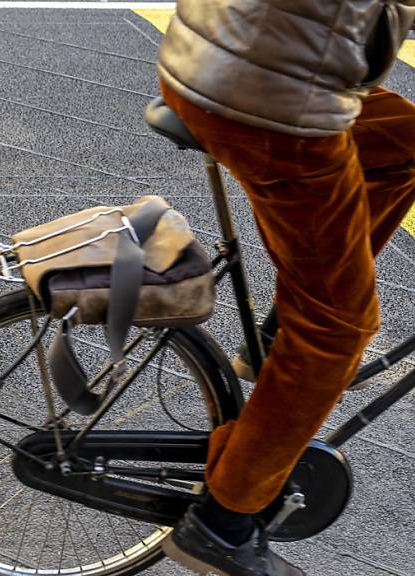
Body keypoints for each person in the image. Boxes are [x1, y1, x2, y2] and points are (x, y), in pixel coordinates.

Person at [154, 1, 415, 574]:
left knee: (405, 143)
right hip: (274, 106)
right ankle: (222, 526)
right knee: (338, 328)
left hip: (211, 63)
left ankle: (274, 336)